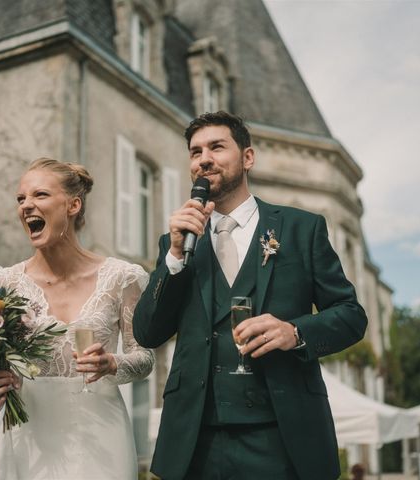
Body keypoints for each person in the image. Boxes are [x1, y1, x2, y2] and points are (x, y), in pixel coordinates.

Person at [133, 111, 368, 480]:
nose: (203, 158)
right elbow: (147, 333)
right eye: (195, 152)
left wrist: (296, 332)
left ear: (248, 158)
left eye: (216, 147)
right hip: (196, 441)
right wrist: (175, 257)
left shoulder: (301, 229)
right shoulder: (177, 242)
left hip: (282, 435)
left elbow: (351, 315)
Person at [0, 158, 154, 479]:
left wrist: (110, 364)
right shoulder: (5, 283)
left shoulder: (122, 277)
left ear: (73, 205)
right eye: (21, 198)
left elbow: (144, 359)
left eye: (40, 195)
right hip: (27, 432)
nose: (26, 205)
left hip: (100, 432)